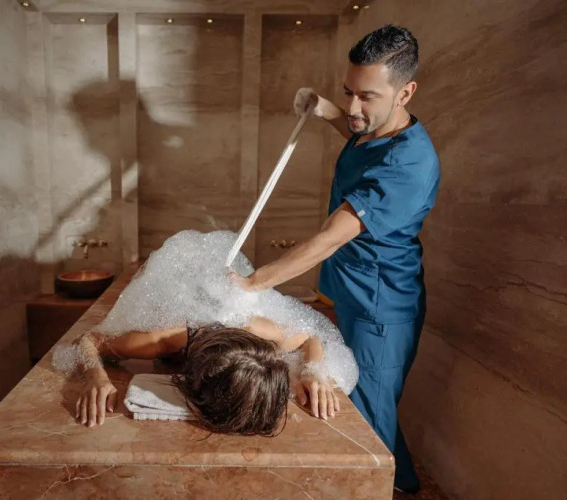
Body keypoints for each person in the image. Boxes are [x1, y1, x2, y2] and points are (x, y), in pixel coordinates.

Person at [231, 25, 440, 493]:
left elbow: (328, 239)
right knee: (369, 408)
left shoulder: (408, 166)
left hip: (379, 310)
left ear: (406, 92)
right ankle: (405, 484)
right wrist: (324, 108)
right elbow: (356, 129)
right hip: (353, 293)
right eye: (349, 92)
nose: (353, 108)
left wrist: (250, 284)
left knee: (364, 422)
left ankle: (392, 489)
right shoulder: (378, 127)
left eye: (367, 96)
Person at [69, 316, 341, 434]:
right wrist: (96, 376)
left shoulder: (264, 332)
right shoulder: (164, 337)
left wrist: (313, 370)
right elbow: (88, 340)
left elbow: (311, 335)